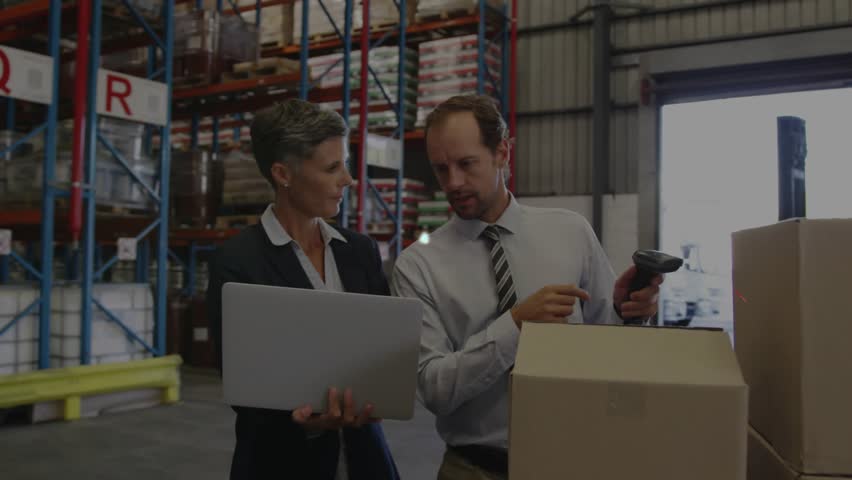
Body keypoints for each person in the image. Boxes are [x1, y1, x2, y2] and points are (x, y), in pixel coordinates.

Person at [390, 95, 663, 480]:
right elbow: (434, 388)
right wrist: (516, 325)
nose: (453, 183)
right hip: (473, 469)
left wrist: (627, 313)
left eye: (466, 164)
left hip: (573, 461)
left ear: (502, 153)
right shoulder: (418, 265)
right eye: (441, 169)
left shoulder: (571, 233)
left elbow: (612, 350)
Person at [207, 99, 399, 480]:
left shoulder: (359, 252)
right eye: (332, 168)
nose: (348, 179)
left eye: (345, 164)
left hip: (364, 461)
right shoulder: (238, 262)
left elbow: (382, 350)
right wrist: (309, 423)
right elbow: (243, 386)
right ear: (283, 174)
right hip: (280, 464)